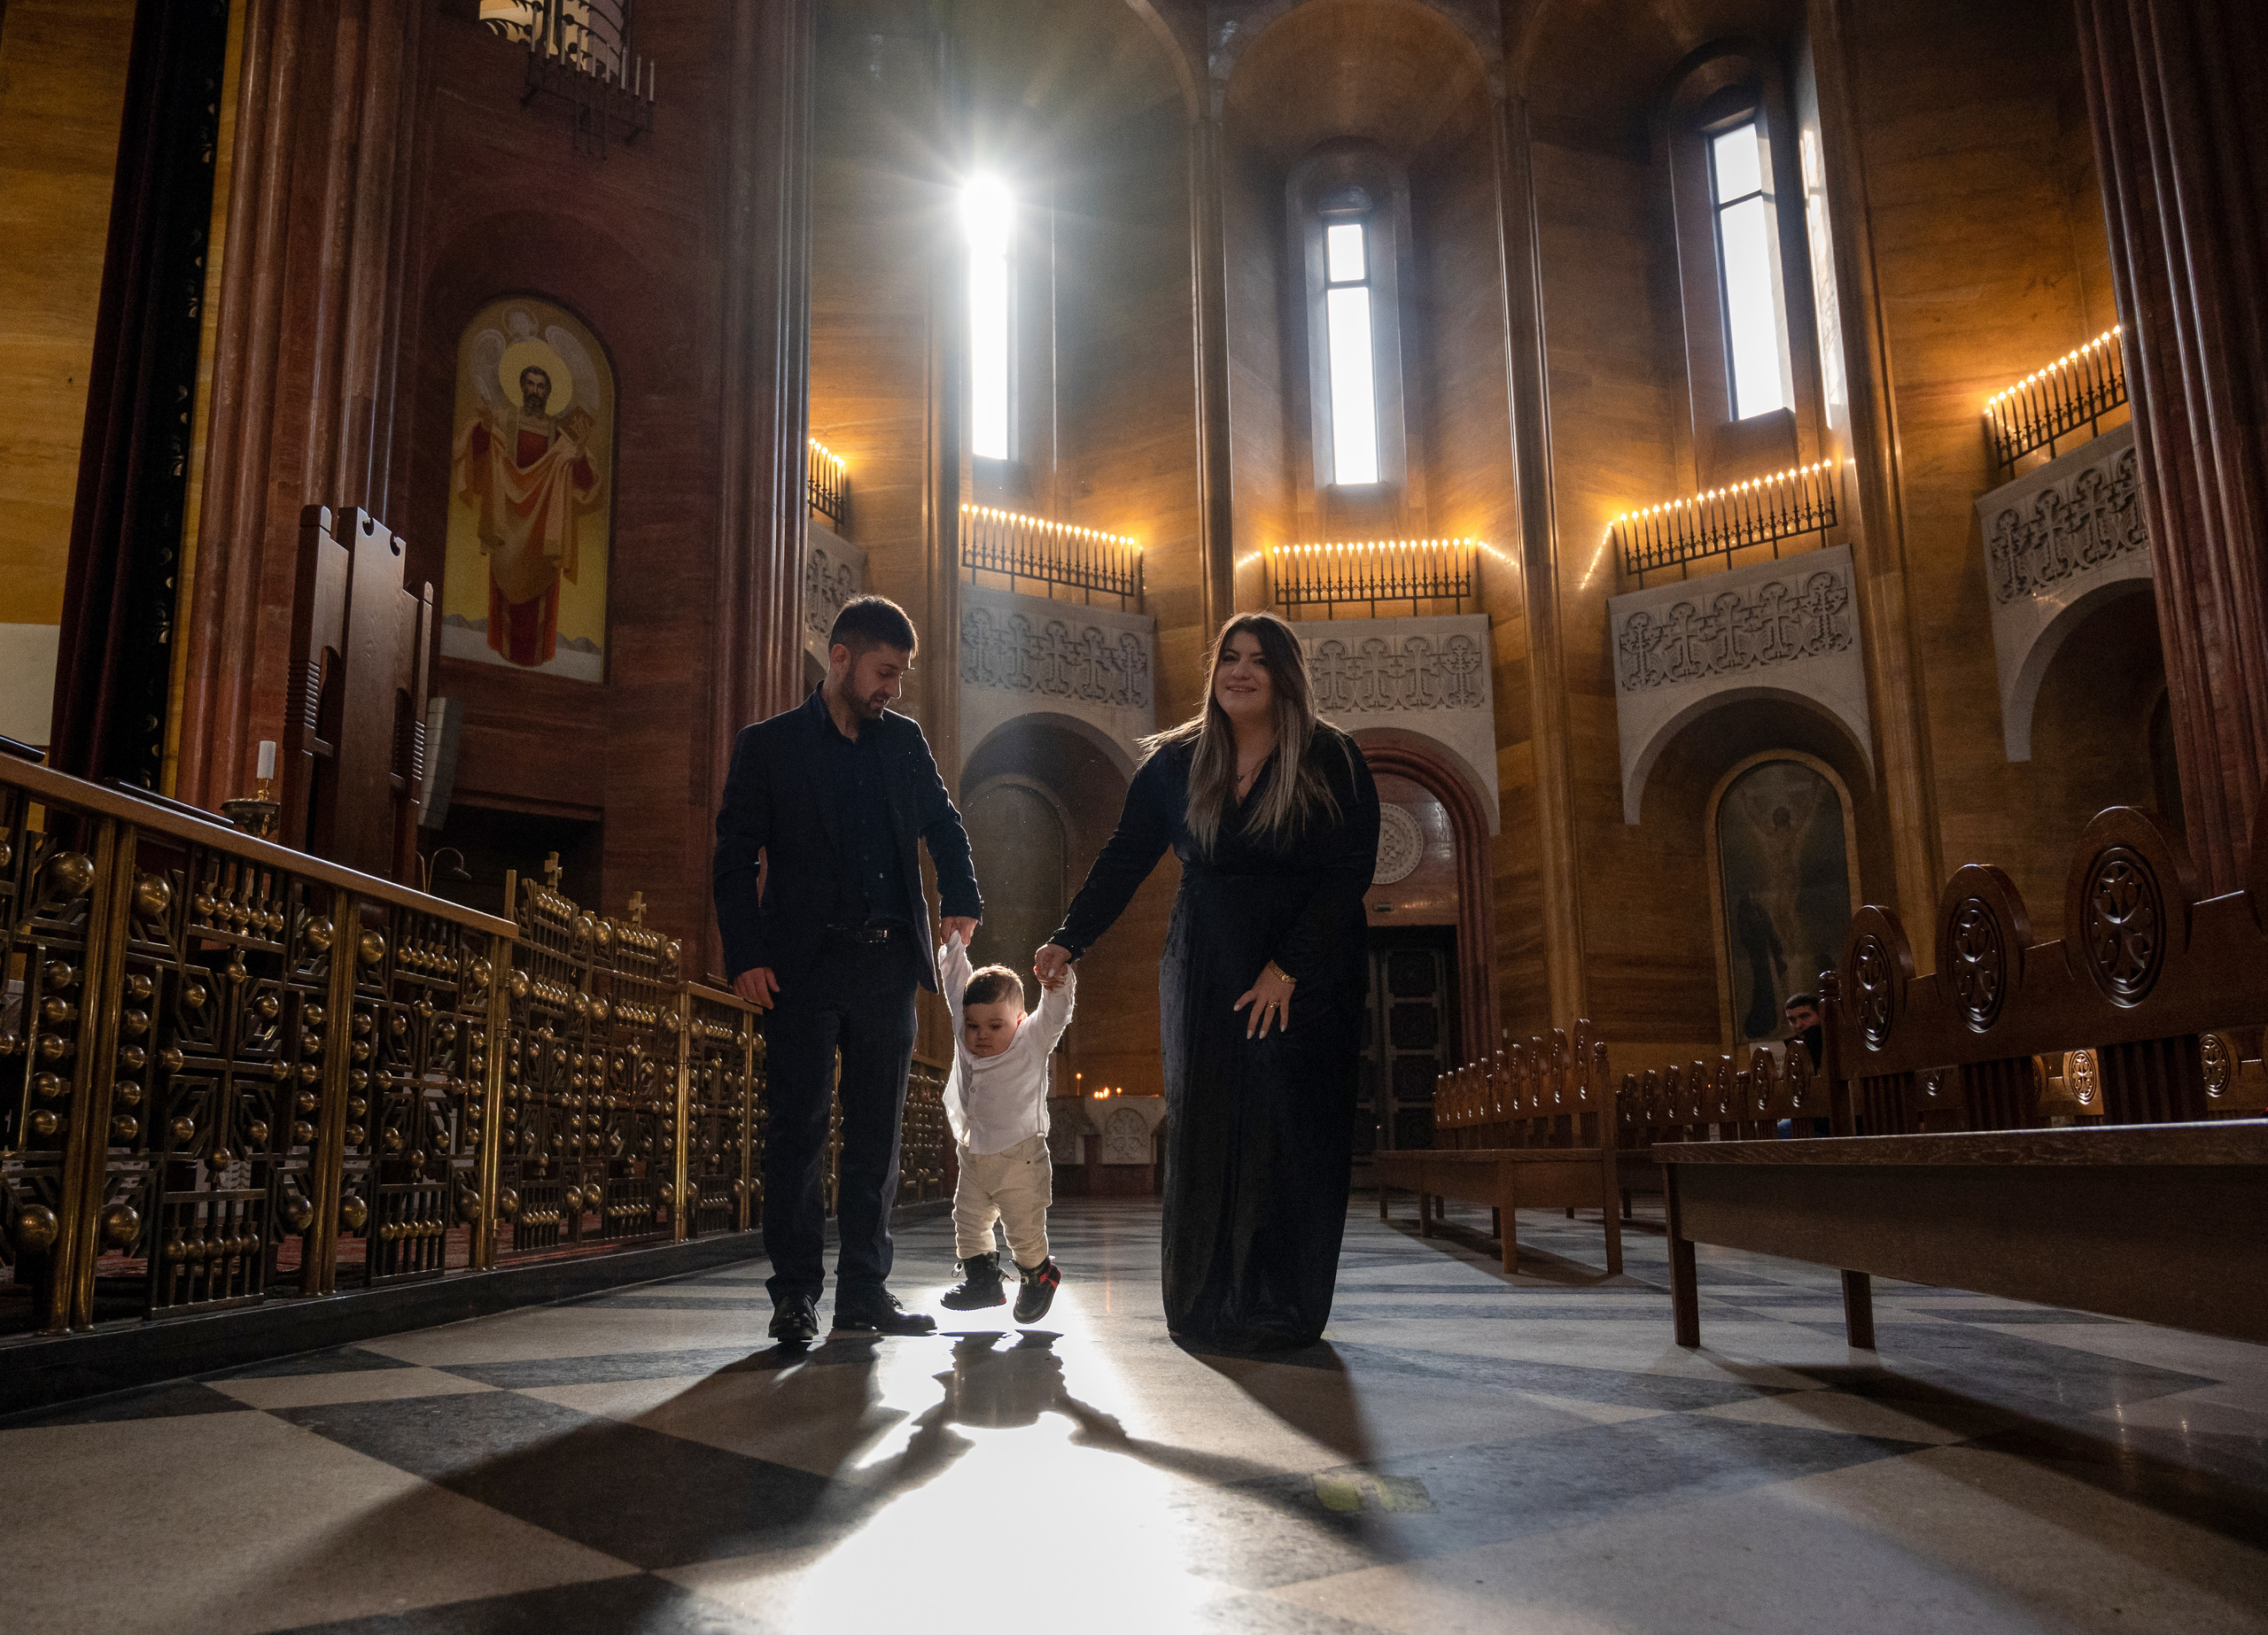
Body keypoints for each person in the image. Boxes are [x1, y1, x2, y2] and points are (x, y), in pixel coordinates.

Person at [1036, 612, 1379, 1351]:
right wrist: (1071, 937)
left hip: (1305, 971)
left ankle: (1279, 1303)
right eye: (1230, 657)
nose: (1241, 671)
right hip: (1205, 964)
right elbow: (1126, 856)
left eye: (1259, 659)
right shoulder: (1176, 762)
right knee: (1210, 1123)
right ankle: (1205, 1301)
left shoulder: (1333, 758)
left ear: (1286, 674)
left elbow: (1349, 874)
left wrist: (1288, 969)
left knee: (1288, 1128)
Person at [712, 595, 981, 1342]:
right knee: (796, 1133)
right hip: (800, 967)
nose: (892, 687)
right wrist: (746, 955)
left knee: (876, 1140)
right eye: (884, 672)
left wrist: (962, 895)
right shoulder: (767, 746)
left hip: (888, 966)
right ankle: (794, 1294)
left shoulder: (904, 743)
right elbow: (734, 858)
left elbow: (943, 822)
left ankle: (865, 1292)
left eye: (901, 676)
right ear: (840, 658)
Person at [936, 934, 1074, 1322]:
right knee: (967, 1220)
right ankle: (984, 1283)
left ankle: (1039, 1276)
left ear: (1019, 1019)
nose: (982, 1035)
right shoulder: (966, 1038)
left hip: (1020, 1159)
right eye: (974, 1025)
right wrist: (955, 944)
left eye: (995, 1026)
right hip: (974, 1154)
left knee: (1024, 1232)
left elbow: (1055, 1013)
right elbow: (955, 984)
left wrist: (1056, 983)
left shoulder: (1032, 1039)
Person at [1783, 992, 1823, 1069]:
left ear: (1820, 1014)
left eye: (1804, 1016)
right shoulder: (1793, 1047)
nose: (1798, 1025)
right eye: (1792, 1019)